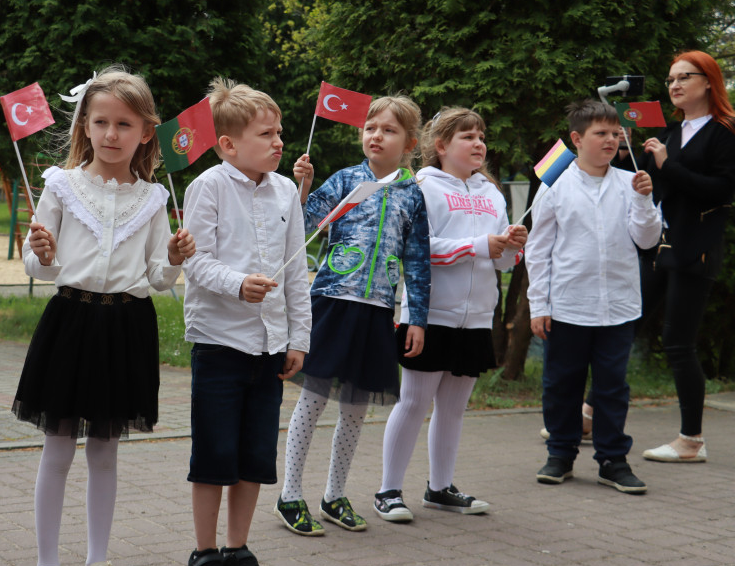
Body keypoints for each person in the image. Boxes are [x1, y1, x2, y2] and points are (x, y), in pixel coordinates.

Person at [12, 67, 194, 566]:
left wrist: (175, 260)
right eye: (101, 122)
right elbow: (38, 266)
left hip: (126, 327)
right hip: (72, 322)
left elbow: (158, 278)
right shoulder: (61, 185)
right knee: (58, 448)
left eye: (124, 124)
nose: (111, 133)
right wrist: (41, 254)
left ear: (146, 132)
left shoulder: (155, 196)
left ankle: (97, 563)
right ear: (84, 127)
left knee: (106, 451)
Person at [275, 96, 430, 536]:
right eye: (370, 128)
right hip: (331, 302)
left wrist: (415, 316)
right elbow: (302, 225)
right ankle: (289, 496)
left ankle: (334, 494)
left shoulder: (413, 195)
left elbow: (418, 260)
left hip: (378, 311)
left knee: (356, 409)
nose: (376, 135)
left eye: (389, 130)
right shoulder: (344, 180)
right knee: (314, 399)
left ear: (409, 143)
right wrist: (301, 185)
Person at [181, 77, 312, 566]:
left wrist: (298, 336)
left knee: (255, 452)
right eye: (267, 134)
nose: (279, 142)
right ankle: (203, 553)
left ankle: (238, 548)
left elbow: (298, 271)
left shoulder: (285, 191)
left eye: (279, 132)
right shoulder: (207, 186)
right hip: (220, 341)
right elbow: (194, 259)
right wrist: (237, 284)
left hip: (270, 344)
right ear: (228, 144)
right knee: (215, 450)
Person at [376, 107, 526, 522]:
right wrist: (481, 244)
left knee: (454, 408)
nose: (478, 143)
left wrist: (511, 245)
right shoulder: (422, 186)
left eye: (481, 136)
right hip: (429, 315)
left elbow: (502, 264)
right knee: (413, 401)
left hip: (476, 318)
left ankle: (439, 488)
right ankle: (388, 490)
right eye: (467, 137)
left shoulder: (492, 193)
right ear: (440, 146)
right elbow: (418, 249)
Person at [529, 100, 660, 493]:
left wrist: (643, 200)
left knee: (612, 385)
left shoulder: (630, 182)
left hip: (618, 306)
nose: (611, 140)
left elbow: (647, 239)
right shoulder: (554, 185)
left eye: (616, 133)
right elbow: (538, 250)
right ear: (576, 139)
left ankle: (612, 460)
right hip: (568, 304)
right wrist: (540, 305)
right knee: (561, 383)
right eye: (600, 133)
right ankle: (561, 453)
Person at [639, 51, 735, 464]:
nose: (675, 85)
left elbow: (721, 190)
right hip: (662, 245)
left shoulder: (724, 131)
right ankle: (589, 414)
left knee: (678, 344)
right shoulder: (674, 131)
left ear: (708, 82)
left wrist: (666, 164)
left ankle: (691, 441)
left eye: (684, 77)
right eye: (670, 79)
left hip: (696, 248)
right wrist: (644, 165)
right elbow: (663, 181)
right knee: (625, 322)